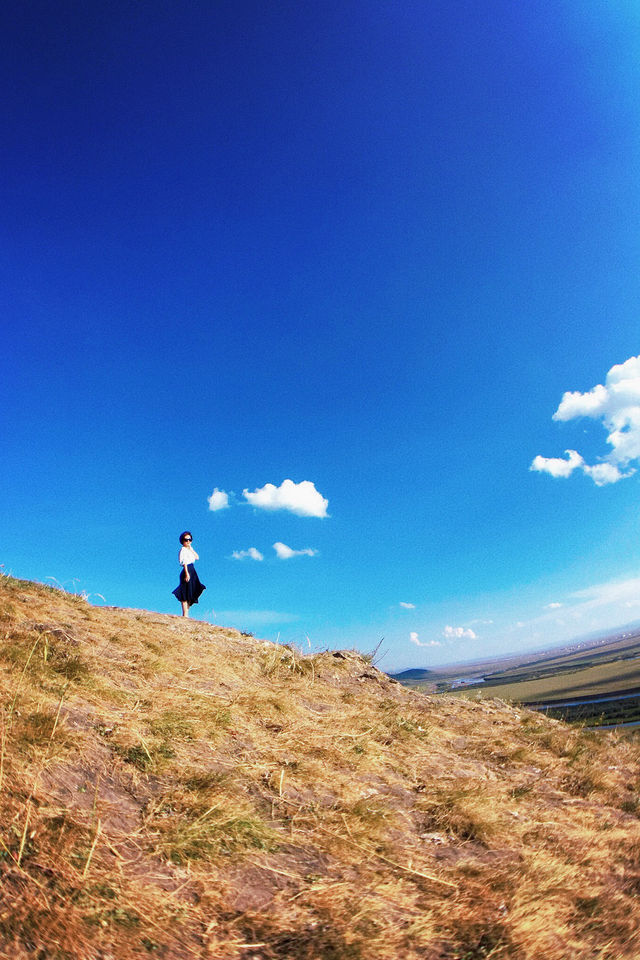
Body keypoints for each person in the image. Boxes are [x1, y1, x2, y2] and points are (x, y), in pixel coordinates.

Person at [172, 531, 206, 617]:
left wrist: (191, 548)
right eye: (185, 540)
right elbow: (184, 562)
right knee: (185, 593)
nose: (187, 541)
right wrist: (187, 573)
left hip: (192, 570)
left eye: (189, 540)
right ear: (182, 540)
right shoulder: (183, 550)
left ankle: (186, 614)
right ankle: (185, 615)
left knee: (191, 592)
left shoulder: (189, 550)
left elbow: (197, 557)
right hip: (187, 570)